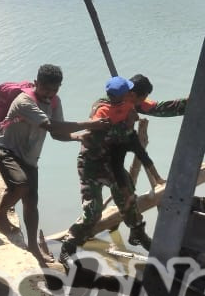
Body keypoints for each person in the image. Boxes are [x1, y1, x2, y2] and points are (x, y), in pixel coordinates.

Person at [0, 64, 108, 266]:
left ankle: (33, 247)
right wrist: (90, 124)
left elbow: (57, 133)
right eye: (45, 89)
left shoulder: (54, 101)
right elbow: (51, 125)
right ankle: (0, 215)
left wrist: (78, 137)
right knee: (21, 184)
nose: (50, 93)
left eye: (54, 89)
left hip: (29, 158)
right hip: (6, 149)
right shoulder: (25, 101)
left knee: (31, 203)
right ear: (36, 83)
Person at [61, 74, 186, 261]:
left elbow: (157, 108)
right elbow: (96, 135)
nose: (142, 103)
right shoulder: (102, 109)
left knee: (128, 196)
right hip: (92, 164)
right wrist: (125, 126)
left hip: (113, 164)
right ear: (131, 95)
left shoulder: (131, 103)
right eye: (141, 98)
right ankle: (69, 245)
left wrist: (189, 104)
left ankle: (137, 233)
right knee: (93, 212)